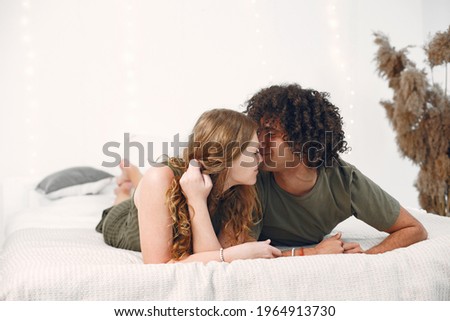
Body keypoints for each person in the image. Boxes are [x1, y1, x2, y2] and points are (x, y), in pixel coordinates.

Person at [244, 83, 428, 254]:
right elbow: (240, 252)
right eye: (258, 132)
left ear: (301, 138)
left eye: (270, 134)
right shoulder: (252, 176)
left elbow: (413, 229)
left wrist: (367, 256)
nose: (259, 142)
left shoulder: (343, 179)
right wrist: (312, 253)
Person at [97, 109, 285, 264]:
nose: (260, 160)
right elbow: (158, 265)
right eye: (253, 153)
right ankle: (126, 187)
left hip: (170, 192)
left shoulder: (241, 190)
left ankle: (134, 182)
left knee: (153, 192)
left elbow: (212, 260)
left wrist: (198, 199)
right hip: (125, 223)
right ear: (228, 155)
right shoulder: (159, 178)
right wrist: (234, 254)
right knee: (126, 200)